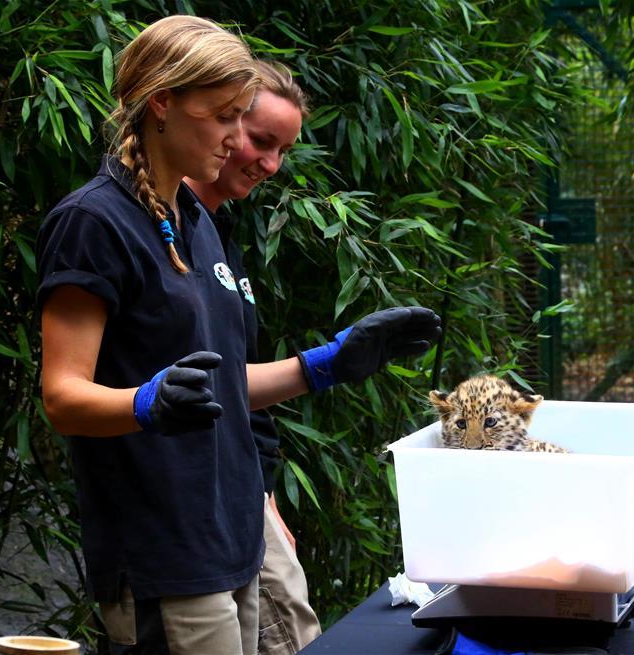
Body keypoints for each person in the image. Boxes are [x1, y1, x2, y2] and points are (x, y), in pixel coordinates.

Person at [36, 16, 440, 655]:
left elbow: (216, 386)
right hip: (164, 549)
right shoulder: (93, 221)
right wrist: (143, 403)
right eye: (225, 116)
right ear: (163, 103)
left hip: (231, 531)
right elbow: (61, 396)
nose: (233, 136)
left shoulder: (196, 221)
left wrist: (325, 364)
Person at [183, 61, 439, 654]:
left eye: (283, 151)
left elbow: (232, 379)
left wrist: (265, 491)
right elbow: (179, 388)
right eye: (258, 139)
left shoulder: (220, 236)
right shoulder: (141, 228)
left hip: (242, 488)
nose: (269, 165)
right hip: (189, 510)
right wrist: (325, 362)